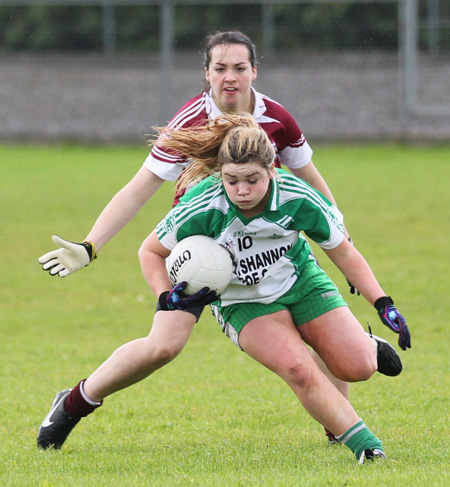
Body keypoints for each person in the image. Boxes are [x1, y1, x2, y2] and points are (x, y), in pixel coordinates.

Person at [37, 31, 408, 445]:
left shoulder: (277, 119)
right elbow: (138, 188)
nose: (229, 77)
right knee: (163, 347)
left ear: (254, 71)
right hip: (202, 250)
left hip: (269, 245)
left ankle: (340, 414)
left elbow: (311, 182)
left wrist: (343, 238)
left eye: (239, 67)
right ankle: (73, 403)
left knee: (311, 320)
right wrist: (91, 245)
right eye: (220, 68)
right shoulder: (190, 121)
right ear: (206, 74)